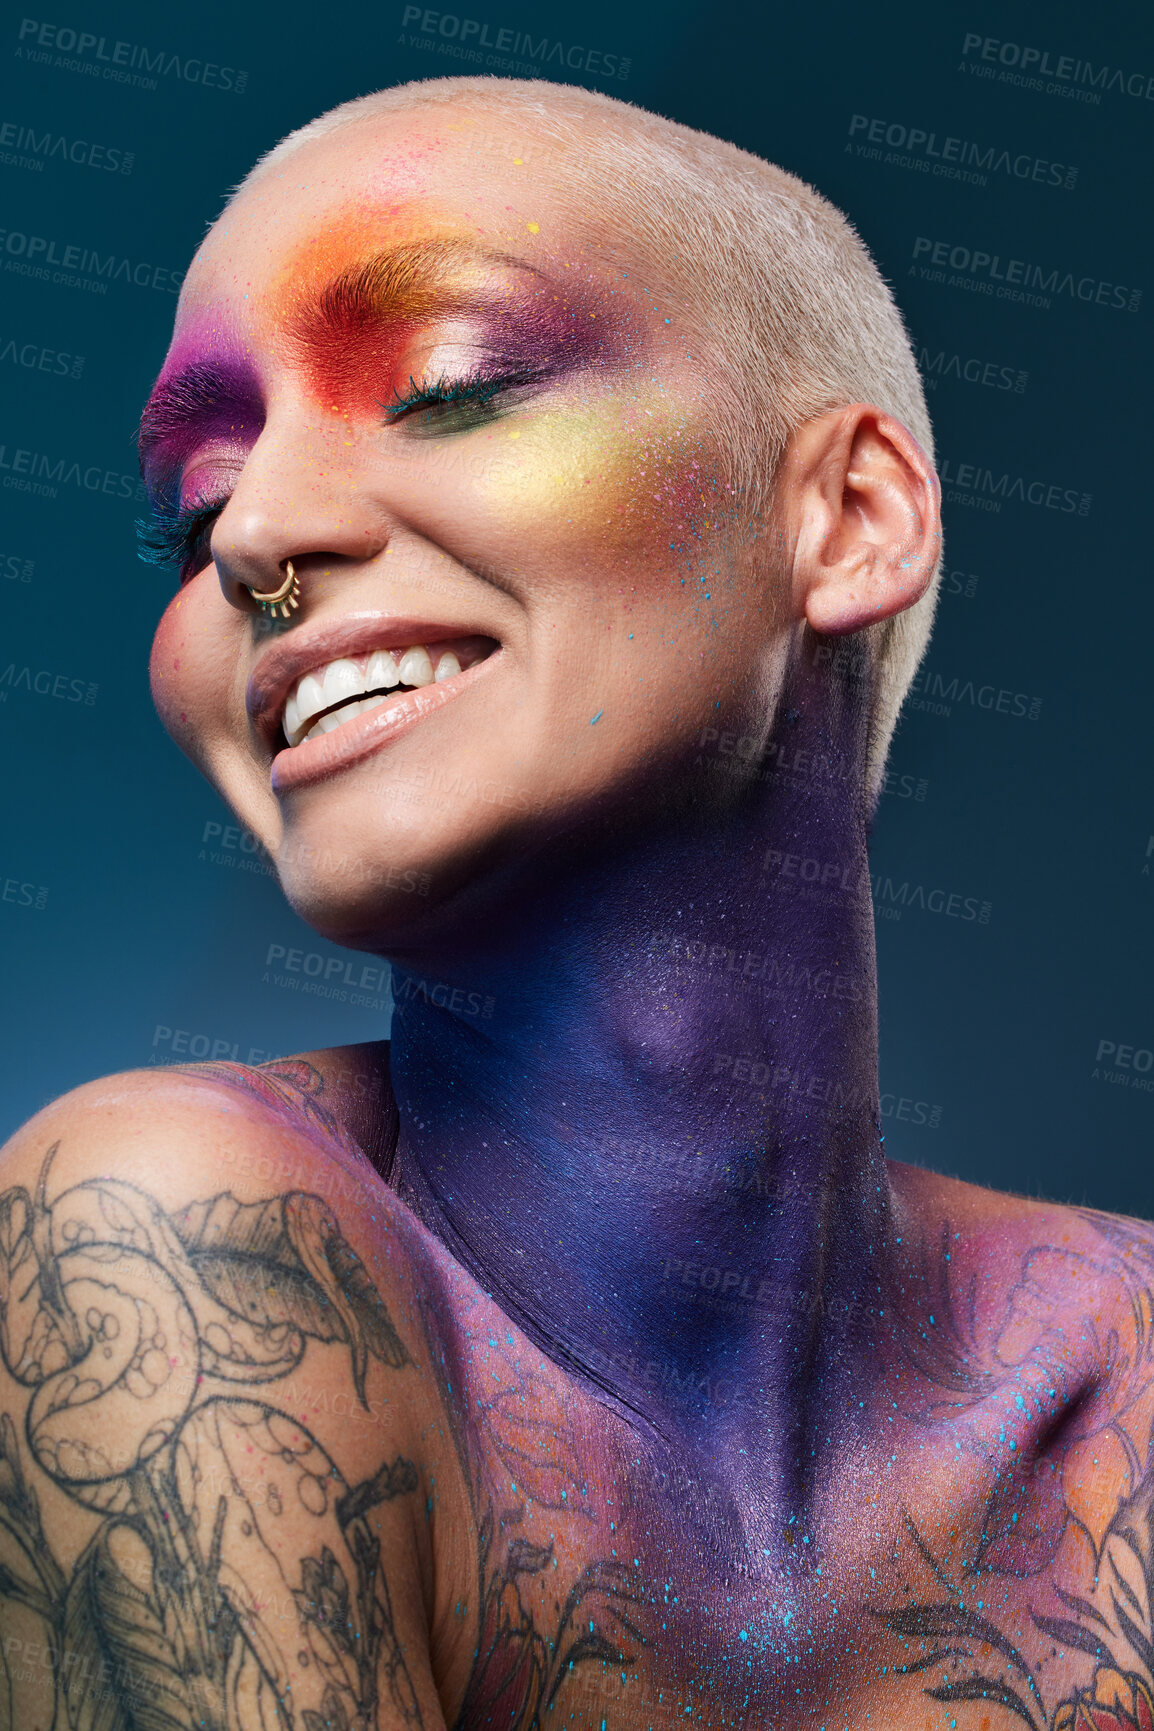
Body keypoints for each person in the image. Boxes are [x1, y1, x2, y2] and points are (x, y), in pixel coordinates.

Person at [0, 75, 1148, 1731]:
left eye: (449, 387)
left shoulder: (1126, 1375)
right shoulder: (174, 1251)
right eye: (190, 509)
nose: (249, 531)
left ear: (847, 517)